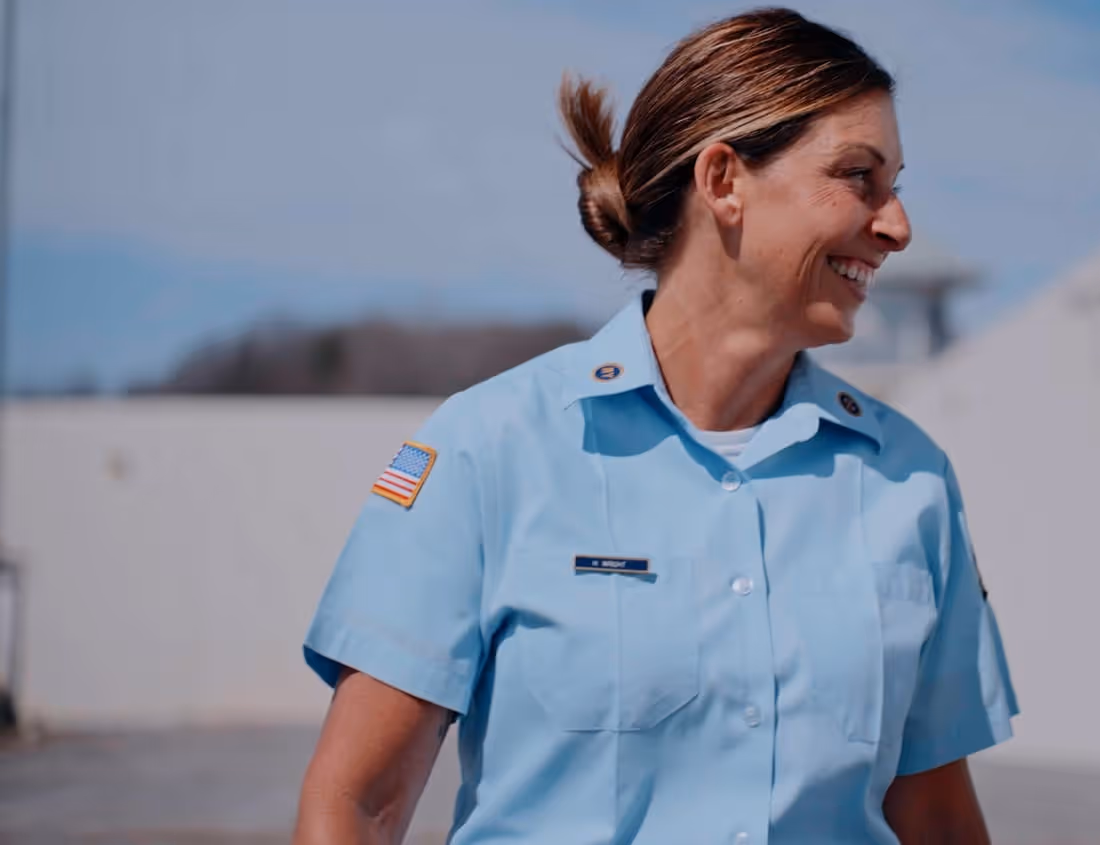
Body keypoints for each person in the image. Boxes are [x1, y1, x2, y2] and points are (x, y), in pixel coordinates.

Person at [293, 8, 1018, 844]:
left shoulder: (910, 481)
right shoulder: (489, 450)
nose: (896, 225)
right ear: (723, 181)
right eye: (859, 176)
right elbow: (358, 804)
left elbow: (934, 818)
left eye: (895, 185)